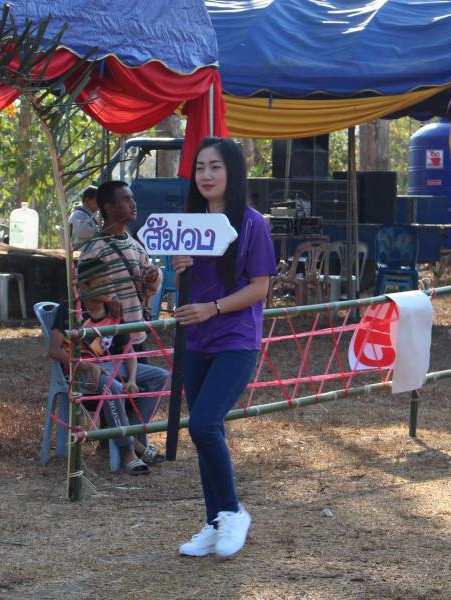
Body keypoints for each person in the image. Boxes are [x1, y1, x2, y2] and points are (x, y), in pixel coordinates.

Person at [171, 137, 277, 558]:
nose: (206, 175)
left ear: (233, 172)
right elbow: (186, 284)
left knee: (203, 424)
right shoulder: (188, 223)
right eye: (200, 167)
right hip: (195, 339)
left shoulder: (253, 224)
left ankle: (233, 512)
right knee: (206, 432)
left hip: (236, 339)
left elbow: (260, 287)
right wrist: (179, 267)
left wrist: (212, 309)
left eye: (215, 166)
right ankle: (215, 522)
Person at [47, 261, 169, 474]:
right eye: (102, 284)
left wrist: (132, 379)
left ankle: (132, 436)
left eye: (111, 282)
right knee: (112, 387)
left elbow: (127, 350)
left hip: (112, 365)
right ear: (83, 287)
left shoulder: (113, 309)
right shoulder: (70, 310)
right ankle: (128, 453)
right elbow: (54, 350)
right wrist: (83, 365)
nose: (110, 288)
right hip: (79, 370)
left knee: (161, 376)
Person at [79, 181, 162, 354]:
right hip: (110, 340)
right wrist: (108, 298)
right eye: (126, 200)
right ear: (109, 207)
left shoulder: (136, 246)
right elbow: (84, 289)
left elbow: (147, 290)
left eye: (132, 198)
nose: (133, 204)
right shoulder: (94, 249)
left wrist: (153, 277)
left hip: (137, 336)